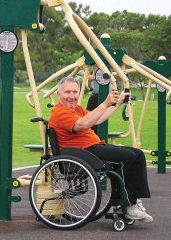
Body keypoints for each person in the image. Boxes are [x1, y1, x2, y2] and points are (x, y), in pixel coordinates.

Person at [49, 76, 153, 222]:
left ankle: (132, 202)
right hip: (83, 152)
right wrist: (105, 103)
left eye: (75, 92)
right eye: (67, 92)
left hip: (92, 148)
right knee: (127, 157)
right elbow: (82, 124)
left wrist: (117, 103)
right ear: (58, 94)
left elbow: (97, 119)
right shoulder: (60, 112)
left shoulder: (76, 109)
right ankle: (127, 204)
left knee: (138, 154)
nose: (72, 96)